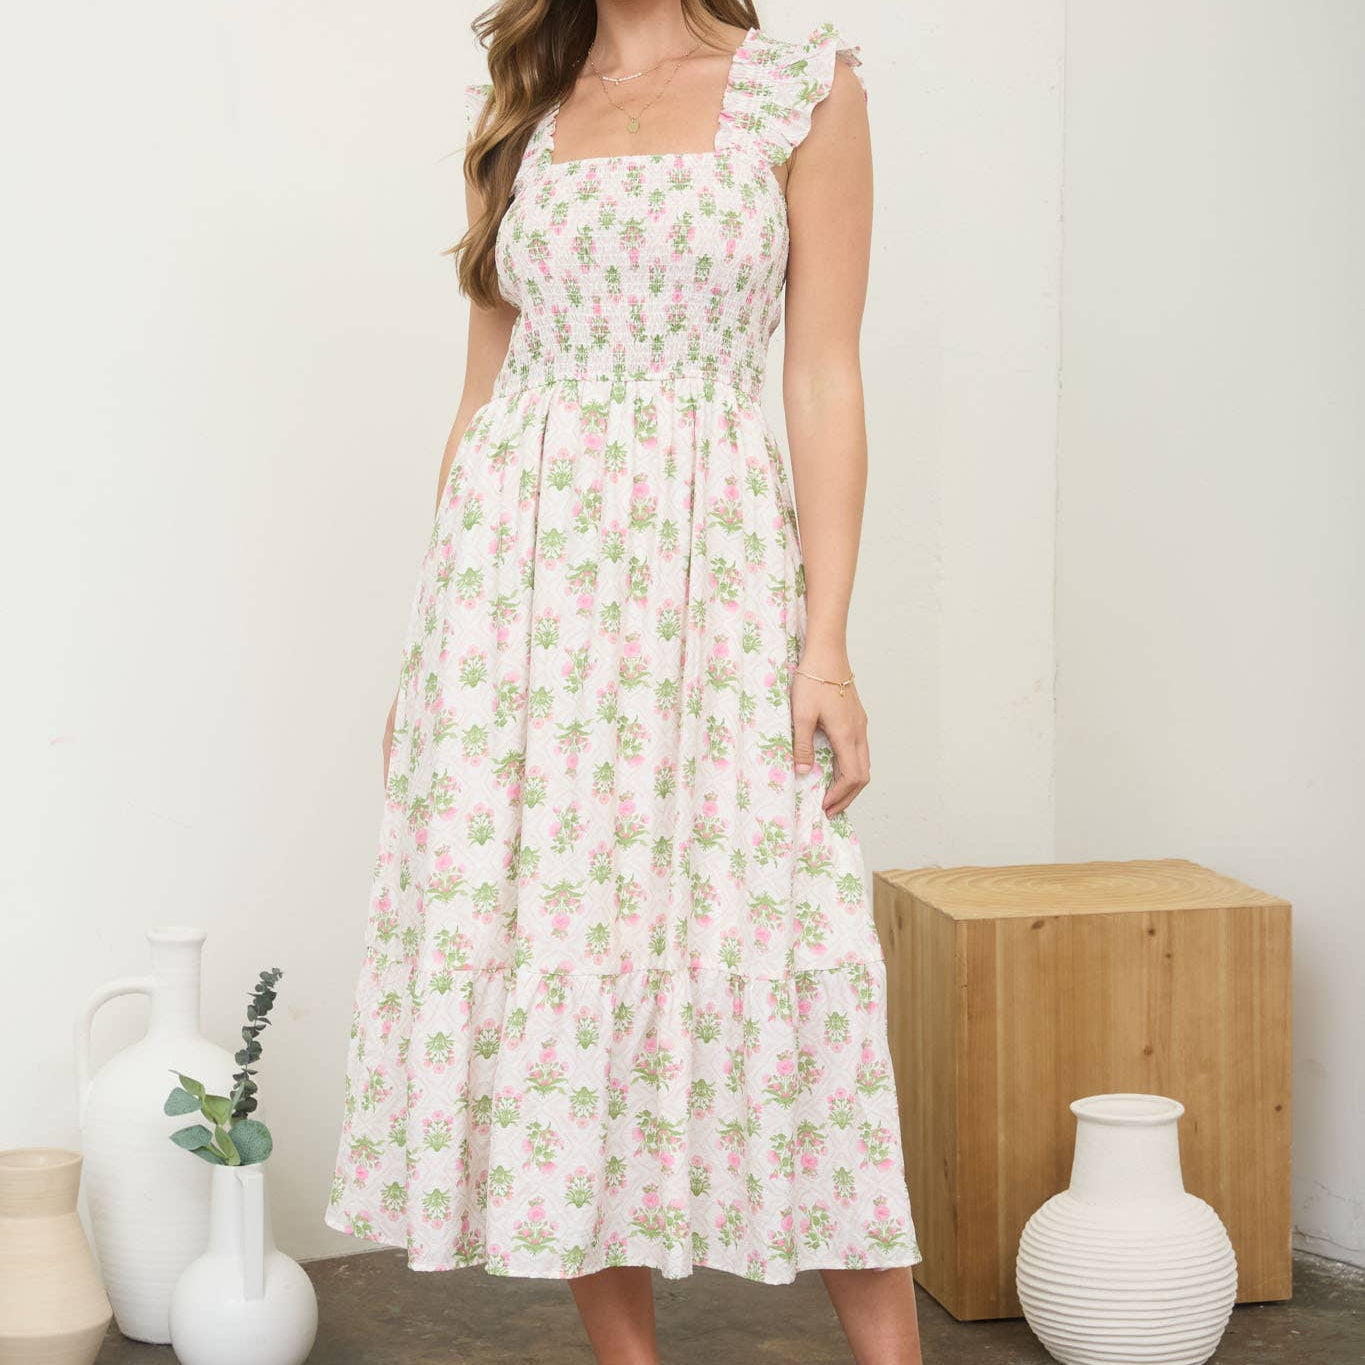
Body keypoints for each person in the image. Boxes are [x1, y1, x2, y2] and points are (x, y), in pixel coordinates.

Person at [325, 3, 924, 1361]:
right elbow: (482, 399)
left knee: (789, 935)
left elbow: (821, 373)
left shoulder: (799, 88)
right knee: (558, 944)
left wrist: (823, 641)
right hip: (514, 592)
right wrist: (435, 649)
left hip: (710, 569)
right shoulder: (524, 106)